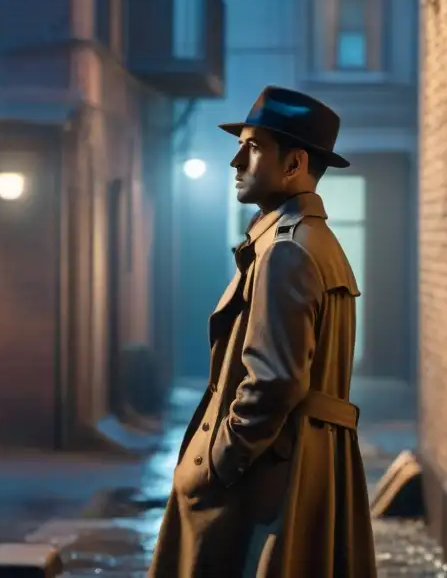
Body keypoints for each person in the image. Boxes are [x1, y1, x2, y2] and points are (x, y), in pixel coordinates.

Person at [149, 86, 377, 577]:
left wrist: (217, 466)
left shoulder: (286, 251)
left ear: (293, 163)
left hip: (272, 476)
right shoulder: (314, 241)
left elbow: (273, 382)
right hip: (304, 461)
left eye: (252, 148)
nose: (235, 161)